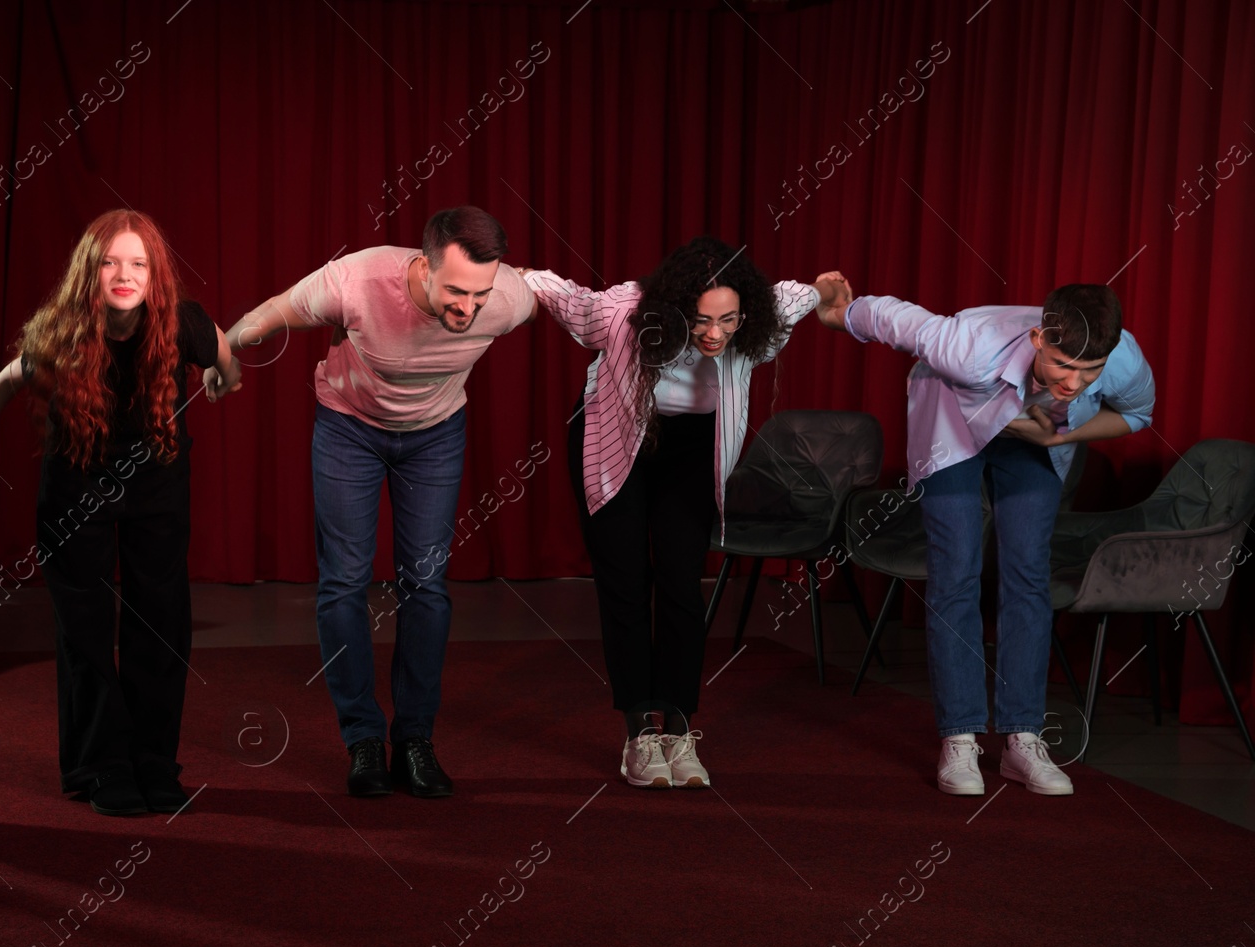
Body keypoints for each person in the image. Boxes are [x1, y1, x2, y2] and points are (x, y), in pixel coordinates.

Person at [225, 206, 536, 798]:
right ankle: (363, 739)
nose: (468, 309)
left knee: (426, 584)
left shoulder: (509, 299)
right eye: (455, 290)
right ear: (422, 266)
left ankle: (414, 739)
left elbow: (560, 298)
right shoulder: (360, 279)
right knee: (344, 580)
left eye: (480, 294)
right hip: (349, 428)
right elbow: (269, 314)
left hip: (436, 435)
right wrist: (225, 353)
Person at [0, 209, 240, 816]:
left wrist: (218, 376)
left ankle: (155, 762)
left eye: (138, 263)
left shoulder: (183, 323)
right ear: (89, 272)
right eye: (110, 262)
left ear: (154, 274)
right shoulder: (59, 330)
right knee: (86, 632)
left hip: (156, 489)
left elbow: (225, 360)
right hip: (77, 492)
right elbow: (1, 385)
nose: (124, 274)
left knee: (160, 625)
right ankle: (101, 766)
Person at [522, 239, 844, 787]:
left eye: (727, 320)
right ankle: (638, 736)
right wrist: (526, 275)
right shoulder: (623, 314)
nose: (715, 334)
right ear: (672, 312)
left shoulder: (761, 313)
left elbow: (804, 293)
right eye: (700, 321)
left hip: (693, 446)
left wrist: (829, 290)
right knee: (624, 580)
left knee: (679, 582)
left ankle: (677, 725)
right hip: (616, 433)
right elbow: (568, 300)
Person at [819, 282, 1156, 796]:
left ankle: (1023, 737)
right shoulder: (969, 348)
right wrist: (839, 313)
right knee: (955, 573)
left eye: (1090, 373)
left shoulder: (1122, 357)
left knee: (1027, 575)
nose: (1074, 383)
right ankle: (959, 738)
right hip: (955, 425)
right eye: (1064, 365)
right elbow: (896, 318)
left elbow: (1135, 414)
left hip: (1035, 435)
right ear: (1039, 338)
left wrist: (1058, 436)